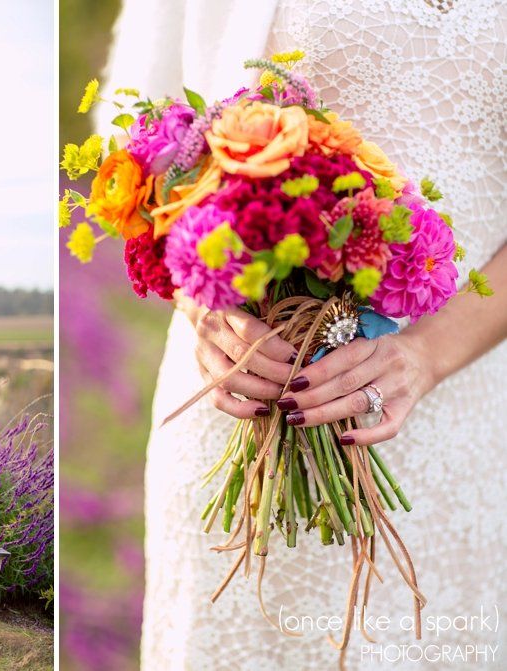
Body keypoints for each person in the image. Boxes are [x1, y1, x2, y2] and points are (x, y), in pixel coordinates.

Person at [98, 1, 507, 668]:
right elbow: (145, 147)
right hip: (251, 394)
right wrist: (206, 304)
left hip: (460, 425)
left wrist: (426, 355)